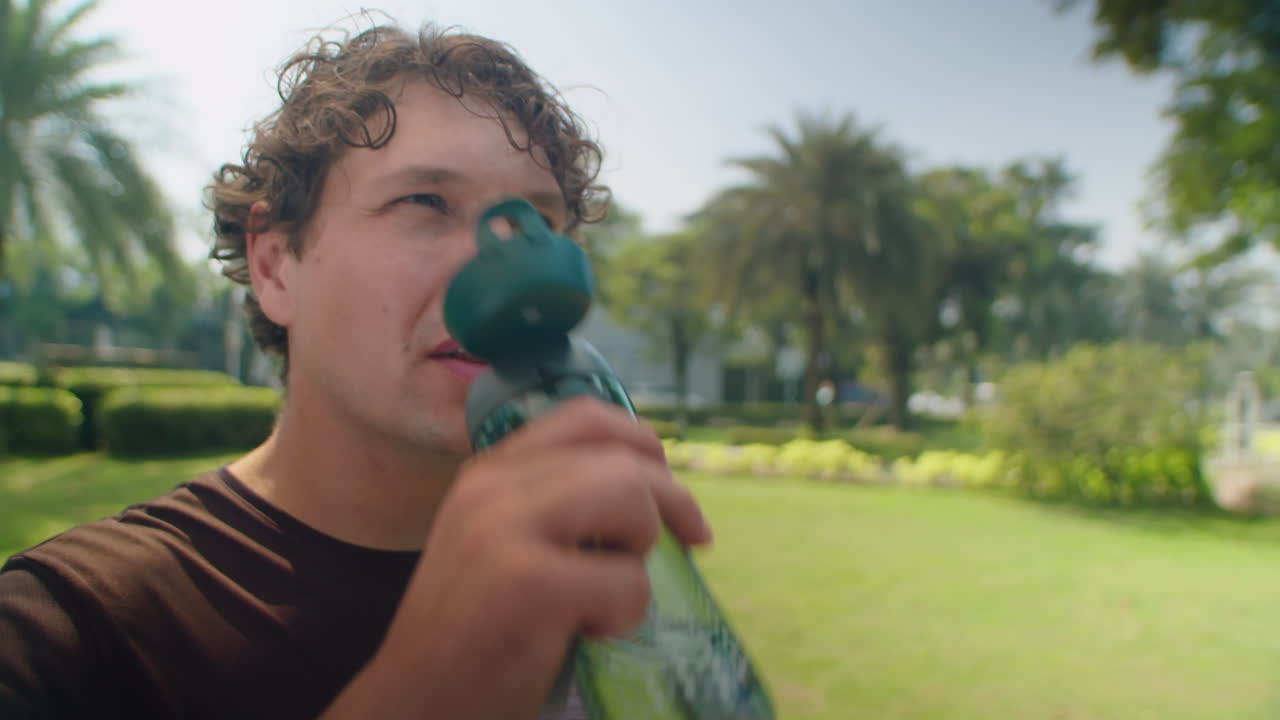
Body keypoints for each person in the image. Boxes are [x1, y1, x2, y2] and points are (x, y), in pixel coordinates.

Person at [0, 19, 713, 720]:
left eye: (535, 219)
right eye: (425, 202)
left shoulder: (593, 574)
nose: (504, 271)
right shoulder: (76, 631)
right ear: (274, 266)